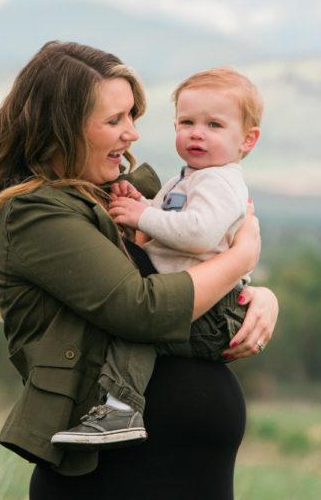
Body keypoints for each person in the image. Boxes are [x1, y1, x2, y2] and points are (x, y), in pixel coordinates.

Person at [0, 41, 278, 500]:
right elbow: (140, 308)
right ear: (63, 127)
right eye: (115, 119)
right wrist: (242, 255)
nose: (133, 133)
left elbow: (182, 266)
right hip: (114, 496)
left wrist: (257, 294)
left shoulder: (113, 196)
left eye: (132, 116)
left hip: (183, 493)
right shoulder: (37, 215)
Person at [50, 66, 263, 449]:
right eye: (187, 122)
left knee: (140, 331)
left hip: (211, 311)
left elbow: (199, 233)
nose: (197, 133)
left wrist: (142, 217)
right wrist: (143, 204)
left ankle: (120, 408)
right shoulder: (191, 176)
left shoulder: (219, 181)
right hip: (199, 300)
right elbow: (173, 222)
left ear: (248, 140)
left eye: (214, 125)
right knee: (142, 325)